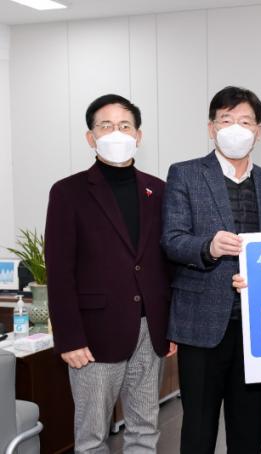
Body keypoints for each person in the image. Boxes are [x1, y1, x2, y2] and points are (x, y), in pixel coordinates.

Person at [45, 94, 175, 453]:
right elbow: (59, 271)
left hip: (150, 330)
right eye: (106, 126)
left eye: (124, 126)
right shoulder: (68, 192)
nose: (116, 133)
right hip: (93, 335)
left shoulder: (158, 190)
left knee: (145, 428)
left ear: (138, 135)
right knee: (92, 436)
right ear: (91, 137)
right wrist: (69, 339)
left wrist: (171, 325)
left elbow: (166, 262)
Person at [161, 86, 261, 454]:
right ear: (211, 128)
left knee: (249, 430)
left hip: (253, 326)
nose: (235, 129)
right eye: (226, 120)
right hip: (201, 324)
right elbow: (172, 239)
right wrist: (208, 248)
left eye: (245, 121)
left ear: (259, 131)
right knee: (198, 430)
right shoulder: (185, 174)